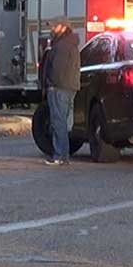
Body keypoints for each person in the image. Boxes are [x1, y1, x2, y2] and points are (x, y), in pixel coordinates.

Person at [43, 20, 81, 165]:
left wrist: (51, 84)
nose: (52, 28)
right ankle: (63, 156)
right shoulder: (70, 44)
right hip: (70, 87)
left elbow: (57, 69)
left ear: (64, 27)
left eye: (55, 25)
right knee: (64, 123)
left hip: (59, 88)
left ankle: (59, 156)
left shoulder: (61, 46)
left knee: (58, 122)